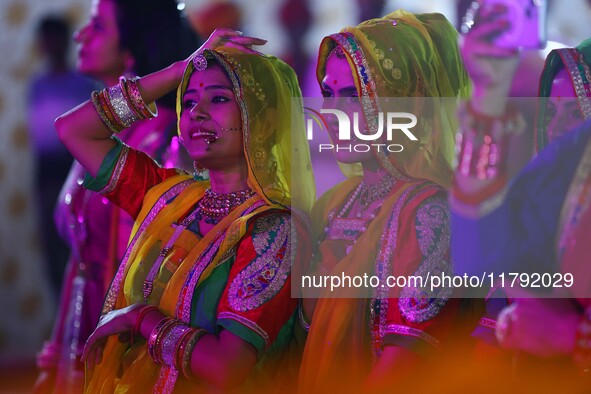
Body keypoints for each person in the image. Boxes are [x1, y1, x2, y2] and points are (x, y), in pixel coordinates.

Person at [56, 28, 315, 393]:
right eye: (189, 101)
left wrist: (140, 319)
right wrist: (178, 69)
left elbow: (226, 369)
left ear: (266, 120)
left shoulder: (273, 230)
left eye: (219, 98)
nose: (197, 113)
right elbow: (73, 130)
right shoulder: (167, 196)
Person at [298, 10, 477, 391]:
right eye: (328, 93)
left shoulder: (431, 210)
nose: (331, 114)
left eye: (354, 97)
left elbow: (404, 366)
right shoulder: (333, 204)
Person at [34, 1, 195, 392]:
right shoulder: (106, 135)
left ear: (133, 43)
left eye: (97, 27)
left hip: (132, 342)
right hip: (84, 325)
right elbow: (81, 256)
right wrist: (57, 353)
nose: (80, 35)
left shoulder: (167, 142)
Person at [452, 3, 591, 389]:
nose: (558, 125)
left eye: (575, 109)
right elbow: (479, 258)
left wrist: (571, 336)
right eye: (552, 110)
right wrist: (488, 96)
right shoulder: (567, 170)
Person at [27, 15, 96, 295]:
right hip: (45, 173)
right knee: (52, 254)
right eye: (46, 39)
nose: (50, 45)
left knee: (81, 247)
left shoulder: (83, 84)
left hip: (76, 170)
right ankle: (62, 325)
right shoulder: (36, 87)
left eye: (55, 38)